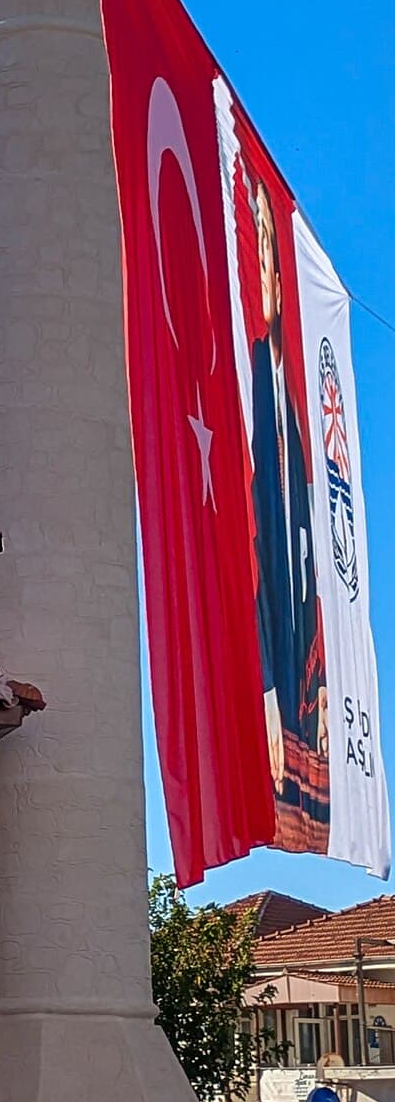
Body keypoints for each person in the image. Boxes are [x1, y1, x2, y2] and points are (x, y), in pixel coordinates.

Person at [247, 170, 329, 835]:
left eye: (274, 259)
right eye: (263, 256)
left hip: (301, 613)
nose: (270, 275)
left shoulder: (293, 390)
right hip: (270, 615)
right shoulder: (247, 375)